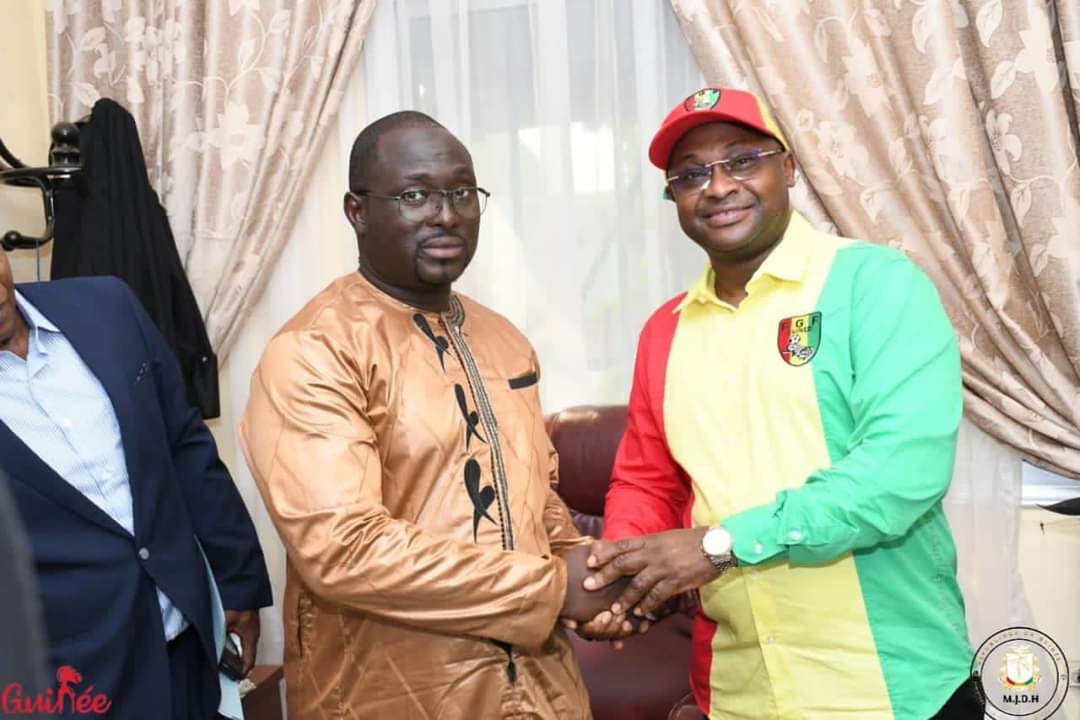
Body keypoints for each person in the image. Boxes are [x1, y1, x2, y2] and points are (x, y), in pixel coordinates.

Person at [582, 88, 982, 719]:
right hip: (740, 691)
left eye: (742, 160)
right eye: (691, 174)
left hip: (889, 685)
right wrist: (626, 574)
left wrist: (720, 545)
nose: (717, 187)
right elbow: (647, 480)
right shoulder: (665, 330)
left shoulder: (876, 284)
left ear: (788, 168)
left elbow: (900, 472)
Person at [239, 111, 625, 719]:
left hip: (542, 691)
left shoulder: (504, 340)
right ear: (357, 211)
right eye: (415, 196)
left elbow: (535, 499)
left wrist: (595, 577)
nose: (446, 215)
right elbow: (345, 549)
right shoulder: (315, 350)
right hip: (389, 696)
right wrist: (554, 590)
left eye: (463, 193)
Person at [0, 249, 272, 720]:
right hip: (76, 683)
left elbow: (185, 446)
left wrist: (239, 583)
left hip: (192, 646)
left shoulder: (107, 306)